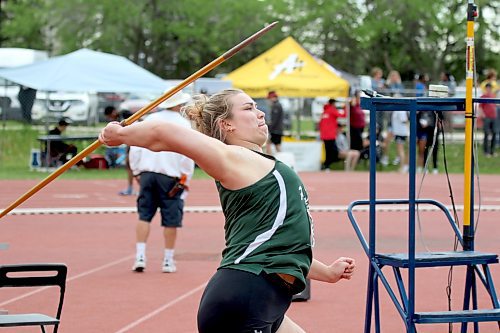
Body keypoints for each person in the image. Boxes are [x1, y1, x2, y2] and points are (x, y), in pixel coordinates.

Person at [99, 88, 355, 333]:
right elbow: (164, 132)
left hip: (266, 301)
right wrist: (120, 135)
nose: (261, 113)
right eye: (248, 108)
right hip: (245, 297)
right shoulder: (235, 158)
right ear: (226, 125)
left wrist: (329, 273)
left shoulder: (259, 165)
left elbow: (278, 249)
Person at [128, 91, 194, 273]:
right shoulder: (184, 125)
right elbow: (188, 155)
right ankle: (167, 260)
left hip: (147, 173)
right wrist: (185, 177)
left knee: (144, 215)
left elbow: (135, 147)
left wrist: (136, 171)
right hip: (171, 176)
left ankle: (140, 256)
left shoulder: (148, 120)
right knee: (171, 219)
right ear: (178, 105)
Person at [103, 105, 136, 195]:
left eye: (110, 116)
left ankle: (140, 188)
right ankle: (130, 188)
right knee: (129, 165)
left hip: (137, 141)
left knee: (134, 165)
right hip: (130, 142)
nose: (110, 118)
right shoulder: (116, 120)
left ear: (113, 112)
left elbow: (137, 122)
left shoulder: (125, 113)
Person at [319, 98, 345, 170]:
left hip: (324, 135)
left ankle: (326, 165)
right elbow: (343, 115)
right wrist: (346, 107)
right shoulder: (332, 110)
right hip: (330, 135)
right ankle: (327, 164)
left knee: (328, 150)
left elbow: (320, 124)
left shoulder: (324, 112)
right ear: (333, 103)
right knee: (333, 151)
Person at [478, 83, 497, 157]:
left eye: (490, 88)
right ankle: (486, 151)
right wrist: (482, 114)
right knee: (486, 134)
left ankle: (492, 151)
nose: (489, 89)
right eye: (488, 88)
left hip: (493, 117)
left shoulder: (493, 96)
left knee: (494, 133)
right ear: (486, 88)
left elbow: (495, 106)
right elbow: (480, 107)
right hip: (486, 117)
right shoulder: (483, 97)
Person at [265, 91, 284, 155]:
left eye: (269, 98)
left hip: (276, 130)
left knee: (272, 145)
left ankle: (270, 158)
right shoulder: (278, 105)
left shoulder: (276, 106)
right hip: (277, 129)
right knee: (276, 146)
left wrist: (269, 128)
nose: (269, 100)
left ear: (273, 97)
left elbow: (275, 120)